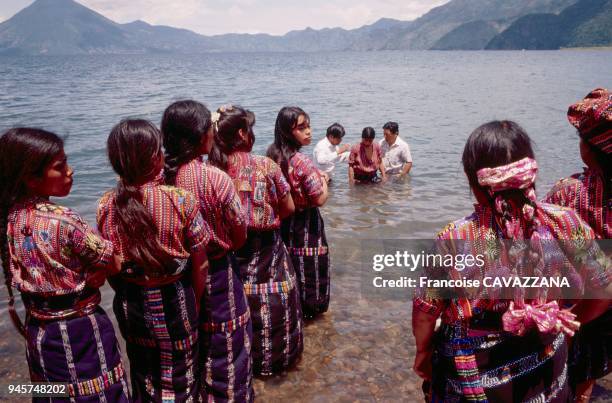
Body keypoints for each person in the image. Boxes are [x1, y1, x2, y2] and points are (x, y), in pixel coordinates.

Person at [411, 120, 611, 402]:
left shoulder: (455, 239)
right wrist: (567, 322)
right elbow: (603, 290)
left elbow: (425, 312)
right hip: (546, 370)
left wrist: (423, 352)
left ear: (474, 182)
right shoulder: (565, 222)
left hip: (473, 380)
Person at [0, 128, 130, 402]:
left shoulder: (9, 219)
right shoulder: (64, 220)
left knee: (51, 392)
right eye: (60, 167)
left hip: (39, 330)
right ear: (31, 179)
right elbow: (115, 261)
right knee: (99, 392)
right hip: (80, 330)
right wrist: (98, 271)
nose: (70, 171)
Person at [97, 119, 210, 402]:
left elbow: (112, 267)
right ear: (154, 158)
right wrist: (195, 300)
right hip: (175, 300)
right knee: (182, 372)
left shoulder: (106, 205)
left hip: (131, 304)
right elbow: (201, 264)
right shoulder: (181, 200)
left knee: (143, 371)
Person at [161, 100, 254, 402]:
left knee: (182, 359)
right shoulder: (214, 178)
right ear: (203, 137)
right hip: (217, 273)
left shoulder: (156, 179)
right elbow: (239, 234)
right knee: (227, 350)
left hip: (172, 283)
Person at [209, 104, 303, 376]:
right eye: (250, 129)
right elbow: (288, 208)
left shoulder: (211, 170)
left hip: (229, 254)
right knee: (275, 304)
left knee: (236, 305)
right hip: (267, 251)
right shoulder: (266, 166)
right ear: (242, 133)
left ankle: (240, 365)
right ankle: (278, 360)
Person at [544, 88, 611, 403]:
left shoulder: (569, 193)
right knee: (592, 369)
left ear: (590, 149)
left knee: (569, 377)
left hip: (580, 309)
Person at [267, 106, 331, 320]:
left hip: (285, 223)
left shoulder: (272, 155)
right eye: (302, 127)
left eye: (309, 126)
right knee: (312, 275)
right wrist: (324, 180)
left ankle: (295, 314)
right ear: (287, 131)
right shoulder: (302, 161)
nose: (309, 131)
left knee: (292, 271)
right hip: (307, 226)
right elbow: (319, 198)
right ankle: (315, 318)